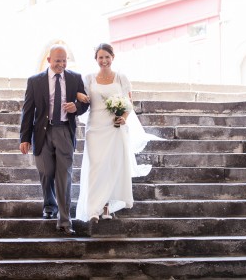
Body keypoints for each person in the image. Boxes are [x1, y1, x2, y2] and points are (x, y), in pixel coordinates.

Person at [76, 43, 164, 223]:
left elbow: (128, 102)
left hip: (115, 128)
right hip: (95, 128)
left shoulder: (121, 78)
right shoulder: (89, 78)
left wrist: (123, 117)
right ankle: (93, 208)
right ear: (96, 59)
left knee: (112, 166)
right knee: (96, 166)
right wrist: (80, 97)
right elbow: (79, 94)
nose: (104, 60)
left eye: (107, 57)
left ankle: (107, 205)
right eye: (100, 57)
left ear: (112, 57)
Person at [19, 44, 89, 235]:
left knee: (64, 177)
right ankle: (50, 205)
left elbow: (84, 104)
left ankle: (65, 221)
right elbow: (28, 111)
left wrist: (76, 107)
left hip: (65, 131)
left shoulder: (75, 78)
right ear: (49, 60)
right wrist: (24, 137)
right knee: (46, 171)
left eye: (64, 60)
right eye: (58, 61)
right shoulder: (35, 81)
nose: (61, 64)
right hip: (43, 131)